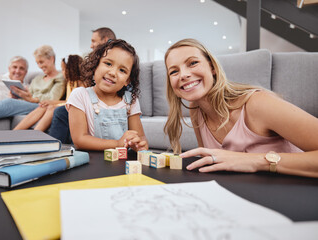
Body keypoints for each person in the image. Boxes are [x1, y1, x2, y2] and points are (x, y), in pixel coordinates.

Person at [163, 38, 318, 178]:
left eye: (193, 63)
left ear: (212, 68)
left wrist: (256, 161)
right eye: (174, 71)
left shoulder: (259, 103)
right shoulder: (196, 109)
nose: (183, 75)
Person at [67, 39, 148, 151]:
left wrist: (139, 144)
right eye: (108, 64)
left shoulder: (130, 100)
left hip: (122, 163)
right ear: (95, 65)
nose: (112, 73)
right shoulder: (80, 95)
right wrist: (117, 144)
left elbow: (141, 137)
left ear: (127, 80)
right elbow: (80, 140)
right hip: (93, 162)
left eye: (122, 70)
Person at [14, 55, 84, 132]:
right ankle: (15, 132)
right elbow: (68, 100)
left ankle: (35, 133)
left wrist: (52, 103)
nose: (62, 72)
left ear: (71, 69)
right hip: (67, 104)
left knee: (51, 108)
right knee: (43, 106)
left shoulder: (81, 84)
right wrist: (50, 102)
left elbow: (73, 102)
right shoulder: (70, 83)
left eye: (63, 69)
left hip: (75, 107)